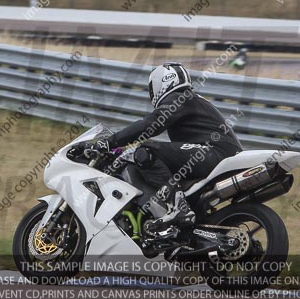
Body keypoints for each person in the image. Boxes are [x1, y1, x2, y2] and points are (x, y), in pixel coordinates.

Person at [100, 63, 243, 232]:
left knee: (146, 151)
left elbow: (150, 125)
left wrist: (110, 142)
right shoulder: (191, 99)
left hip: (213, 153)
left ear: (160, 83)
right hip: (219, 154)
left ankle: (177, 207)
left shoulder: (179, 98)